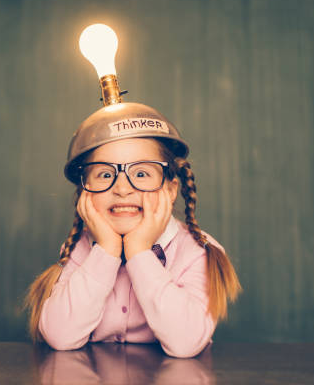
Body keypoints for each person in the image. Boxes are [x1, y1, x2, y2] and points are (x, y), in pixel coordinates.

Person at [24, 101, 241, 358]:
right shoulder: (80, 248)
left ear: (171, 190)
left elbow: (186, 343)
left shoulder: (196, 251)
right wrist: (106, 250)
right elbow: (60, 336)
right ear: (85, 191)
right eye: (105, 175)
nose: (122, 188)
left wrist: (138, 252)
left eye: (141, 174)